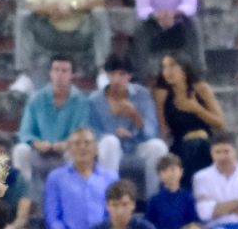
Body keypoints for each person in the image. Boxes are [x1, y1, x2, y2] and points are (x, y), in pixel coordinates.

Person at [91, 54, 169, 194]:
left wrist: (135, 116)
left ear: (129, 76)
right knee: (110, 142)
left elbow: (152, 131)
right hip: (109, 147)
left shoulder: (142, 94)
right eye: (113, 74)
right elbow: (92, 132)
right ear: (107, 75)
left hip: (136, 145)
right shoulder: (95, 100)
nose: (117, 79)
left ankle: (154, 200)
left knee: (158, 146)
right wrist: (114, 134)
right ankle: (110, 199)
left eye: (122, 74)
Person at [13, 55, 94, 185]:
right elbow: (25, 132)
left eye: (64, 71)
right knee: (20, 150)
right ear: (50, 73)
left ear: (72, 74)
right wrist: (37, 143)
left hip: (67, 151)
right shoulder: (36, 98)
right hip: (40, 151)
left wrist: (66, 144)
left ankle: (72, 191)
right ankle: (25, 195)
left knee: (78, 152)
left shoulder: (81, 101)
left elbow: (82, 130)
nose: (60, 75)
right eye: (56, 70)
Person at [42, 127, 118, 229]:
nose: (82, 147)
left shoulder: (110, 177)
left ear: (96, 148)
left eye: (87, 143)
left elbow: (113, 213)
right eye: (77, 143)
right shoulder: (56, 177)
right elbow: (52, 216)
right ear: (69, 149)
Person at [152, 52, 227, 183]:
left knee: (199, 146)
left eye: (172, 66)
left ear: (184, 68)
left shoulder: (201, 89)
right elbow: (163, 129)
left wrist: (196, 109)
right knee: (188, 150)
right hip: (179, 144)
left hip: (204, 141)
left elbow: (220, 124)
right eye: (164, 67)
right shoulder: (162, 94)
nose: (167, 71)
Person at [143, 154, 199, 229]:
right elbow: (150, 225)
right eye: (165, 170)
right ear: (159, 175)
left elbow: (193, 222)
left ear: (181, 171)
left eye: (173, 169)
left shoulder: (188, 198)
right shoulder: (154, 200)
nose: (170, 173)